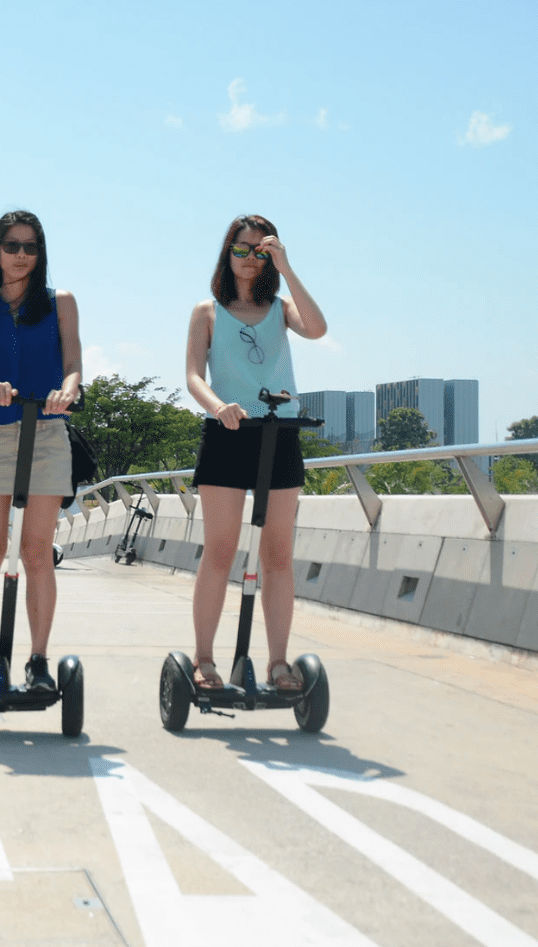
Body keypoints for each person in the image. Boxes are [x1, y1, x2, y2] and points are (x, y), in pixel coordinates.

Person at [185, 214, 327, 691]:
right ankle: (204, 661)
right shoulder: (207, 311)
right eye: (241, 249)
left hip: (279, 433)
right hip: (227, 431)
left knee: (278, 555)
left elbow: (318, 328)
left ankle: (279, 664)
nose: (250, 259)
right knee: (221, 550)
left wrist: (287, 268)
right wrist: (218, 406)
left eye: (260, 251)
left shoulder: (282, 308)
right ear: (228, 253)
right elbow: (193, 376)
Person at [0, 210, 82, 693]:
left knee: (35, 554)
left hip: (47, 430)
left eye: (30, 247)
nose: (21, 256)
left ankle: (38, 661)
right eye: (12, 246)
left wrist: (67, 391)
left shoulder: (59, 302)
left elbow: (73, 362)